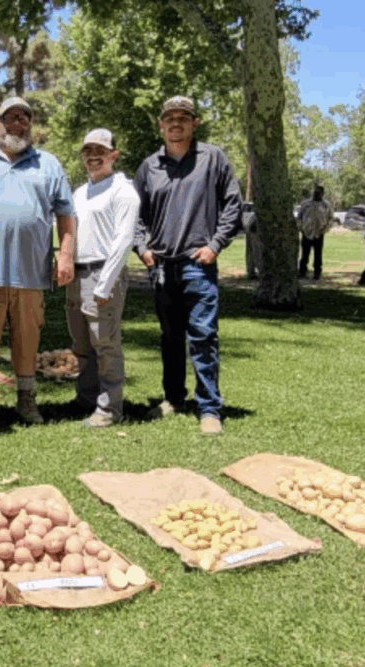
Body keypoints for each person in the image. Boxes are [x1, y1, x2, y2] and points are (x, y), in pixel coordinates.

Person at [0, 96, 76, 424]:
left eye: (24, 118)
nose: (17, 123)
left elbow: (65, 214)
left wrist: (65, 256)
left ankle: (26, 399)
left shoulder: (47, 164)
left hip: (31, 272)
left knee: (27, 338)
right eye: (10, 117)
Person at [133, 96, 242, 435]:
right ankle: (174, 398)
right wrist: (142, 248)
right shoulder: (149, 167)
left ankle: (210, 409)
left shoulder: (213, 159)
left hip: (198, 264)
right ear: (160, 125)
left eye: (184, 117)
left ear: (195, 122)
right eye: (170, 118)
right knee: (170, 338)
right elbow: (135, 215)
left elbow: (233, 205)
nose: (176, 123)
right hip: (162, 266)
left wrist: (215, 245)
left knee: (204, 337)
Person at [67, 128, 140, 428]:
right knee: (82, 344)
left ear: (114, 154)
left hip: (102, 273)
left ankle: (110, 408)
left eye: (100, 151)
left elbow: (123, 241)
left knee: (105, 342)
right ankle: (86, 399)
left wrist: (105, 284)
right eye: (88, 151)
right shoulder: (80, 192)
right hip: (77, 272)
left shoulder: (124, 191)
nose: (93, 157)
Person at [297, 185, 331, 280]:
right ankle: (302, 271)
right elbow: (299, 217)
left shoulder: (326, 205)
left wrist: (324, 229)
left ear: (323, 193)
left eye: (319, 192)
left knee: (318, 254)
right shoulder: (305, 204)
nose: (316, 193)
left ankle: (317, 272)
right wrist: (301, 228)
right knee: (304, 254)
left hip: (319, 233)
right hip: (307, 232)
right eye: (315, 191)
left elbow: (330, 218)